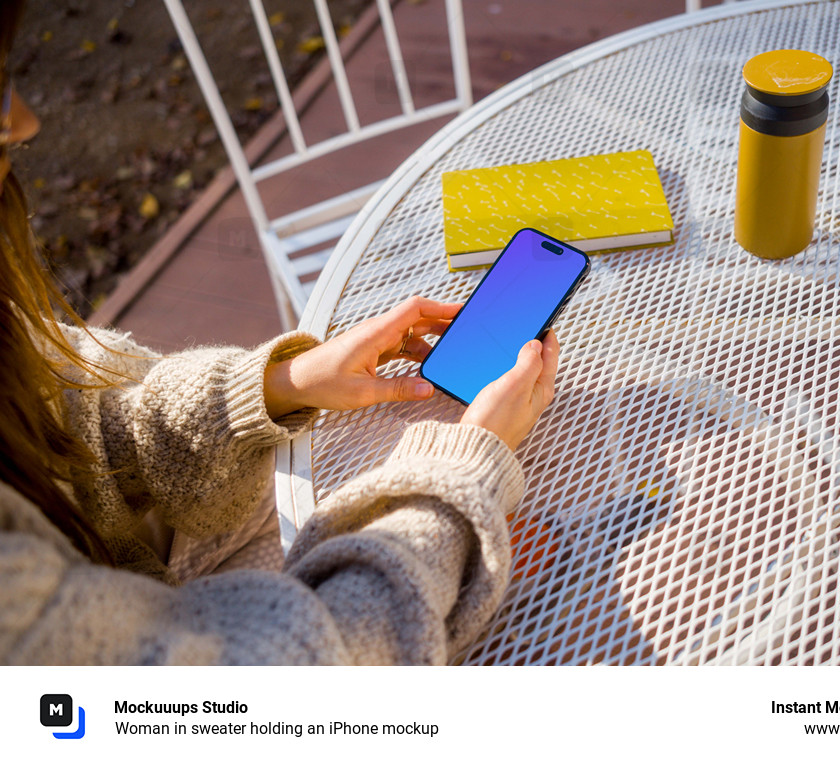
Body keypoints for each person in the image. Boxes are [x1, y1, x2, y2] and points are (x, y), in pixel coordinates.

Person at [0, 0, 559, 664]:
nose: (26, 122)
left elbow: (75, 435)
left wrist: (275, 385)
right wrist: (462, 476)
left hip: (215, 565)